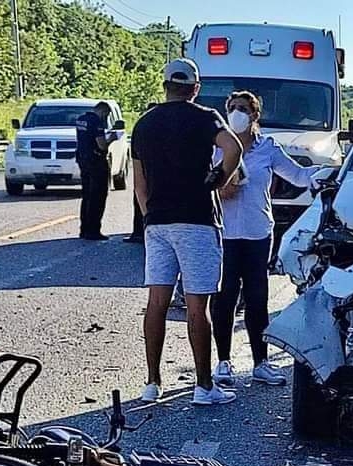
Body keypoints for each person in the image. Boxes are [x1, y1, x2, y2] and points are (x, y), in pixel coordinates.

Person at [131, 58, 243, 405]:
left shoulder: (144, 124)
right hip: (196, 219)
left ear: (165, 86)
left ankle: (152, 382)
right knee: (197, 306)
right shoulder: (205, 117)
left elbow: (139, 184)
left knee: (157, 302)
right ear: (195, 88)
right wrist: (219, 177)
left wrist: (151, 217)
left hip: (158, 222)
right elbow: (234, 148)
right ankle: (204, 386)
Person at [211, 91, 320, 387]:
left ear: (255, 115)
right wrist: (218, 188)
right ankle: (223, 361)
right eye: (232, 108)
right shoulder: (216, 149)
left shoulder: (267, 148)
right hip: (224, 232)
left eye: (243, 109)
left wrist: (328, 174)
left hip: (258, 231)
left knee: (257, 297)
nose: (237, 113)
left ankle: (261, 362)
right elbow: (199, 181)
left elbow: (298, 176)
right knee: (225, 296)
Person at [75, 102, 118, 240]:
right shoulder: (96, 122)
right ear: (102, 111)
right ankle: (93, 230)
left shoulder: (82, 119)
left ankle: (84, 229)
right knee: (98, 196)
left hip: (83, 159)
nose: (106, 118)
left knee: (87, 195)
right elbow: (101, 145)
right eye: (106, 114)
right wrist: (111, 138)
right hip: (96, 161)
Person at [124, 103, 158, 245]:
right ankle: (140, 231)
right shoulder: (155, 127)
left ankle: (142, 231)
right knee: (140, 201)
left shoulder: (144, 127)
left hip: (148, 173)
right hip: (151, 172)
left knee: (141, 200)